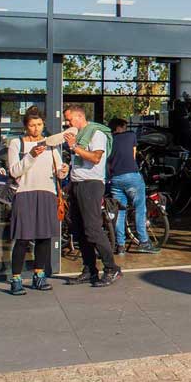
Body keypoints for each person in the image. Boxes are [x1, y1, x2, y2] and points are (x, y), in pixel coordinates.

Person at [3, 106, 66, 295]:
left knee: (44, 238)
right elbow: (14, 171)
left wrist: (63, 171)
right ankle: (16, 279)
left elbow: (58, 171)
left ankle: (39, 276)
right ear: (25, 126)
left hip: (47, 193)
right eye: (32, 125)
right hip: (25, 193)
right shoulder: (17, 143)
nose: (36, 129)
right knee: (22, 239)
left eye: (39, 124)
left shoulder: (50, 144)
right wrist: (31, 155)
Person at [61, 105, 119, 285]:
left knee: (92, 229)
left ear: (79, 117)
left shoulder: (96, 133)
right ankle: (89, 269)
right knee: (78, 229)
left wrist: (75, 148)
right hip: (77, 184)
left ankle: (111, 268)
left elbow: (95, 158)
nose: (67, 123)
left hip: (91, 185)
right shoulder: (78, 136)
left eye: (70, 120)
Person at [107, 117, 153, 254]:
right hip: (131, 175)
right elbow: (133, 156)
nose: (126, 129)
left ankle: (120, 245)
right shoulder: (131, 135)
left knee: (120, 212)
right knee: (140, 208)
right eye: (125, 127)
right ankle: (144, 242)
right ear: (119, 127)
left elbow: (108, 163)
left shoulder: (108, 140)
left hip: (115, 178)